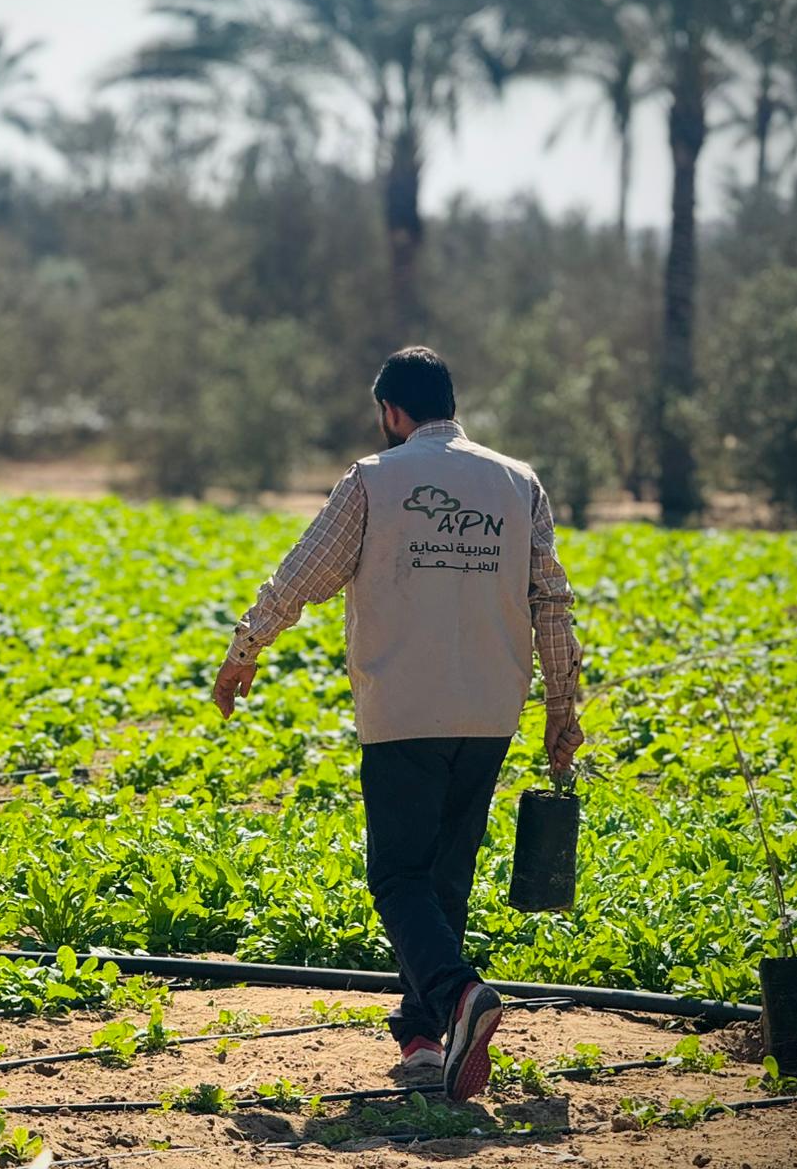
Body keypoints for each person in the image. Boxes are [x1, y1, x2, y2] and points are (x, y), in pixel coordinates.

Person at [212, 345, 584, 1102]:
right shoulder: (518, 483)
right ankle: (425, 1040)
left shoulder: (374, 479)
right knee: (445, 872)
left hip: (404, 708)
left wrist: (246, 645)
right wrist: (562, 708)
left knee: (395, 874)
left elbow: (302, 574)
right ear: (450, 403)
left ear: (391, 412)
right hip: (491, 710)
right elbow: (551, 600)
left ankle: (455, 994)